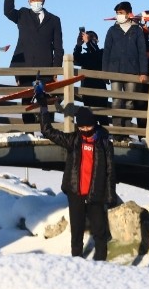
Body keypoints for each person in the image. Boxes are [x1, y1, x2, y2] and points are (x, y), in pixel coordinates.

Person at [37, 98, 115, 261]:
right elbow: (47, 131)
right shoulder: (74, 140)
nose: (85, 129)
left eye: (88, 126)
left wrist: (109, 196)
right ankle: (76, 263)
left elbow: (109, 171)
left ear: (94, 125)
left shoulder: (104, 143)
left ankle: (101, 264)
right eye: (81, 127)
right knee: (77, 231)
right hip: (76, 193)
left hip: (96, 194)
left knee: (100, 232)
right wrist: (44, 107)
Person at [2, 0, 63, 125]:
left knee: (47, 101)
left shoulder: (54, 20)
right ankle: (28, 132)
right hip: (25, 65)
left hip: (46, 67)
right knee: (27, 101)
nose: (36, 2)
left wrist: (56, 69)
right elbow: (8, 11)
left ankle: (49, 131)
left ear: (44, 1)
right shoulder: (22, 14)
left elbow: (58, 46)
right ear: (29, 1)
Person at [102, 1, 148, 131]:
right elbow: (106, 51)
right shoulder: (112, 30)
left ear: (128, 14)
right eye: (117, 13)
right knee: (116, 101)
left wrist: (143, 72)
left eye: (121, 13)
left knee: (129, 101)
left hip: (132, 71)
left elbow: (141, 52)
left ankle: (127, 131)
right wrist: (105, 72)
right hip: (114, 70)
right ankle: (117, 131)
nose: (118, 15)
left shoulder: (137, 30)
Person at [74, 29, 108, 118]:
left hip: (100, 90)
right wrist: (78, 45)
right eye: (88, 37)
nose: (88, 38)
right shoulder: (85, 56)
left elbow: (96, 55)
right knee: (89, 118)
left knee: (102, 118)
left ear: (97, 40)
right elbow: (76, 58)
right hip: (87, 90)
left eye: (91, 37)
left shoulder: (102, 52)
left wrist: (89, 42)